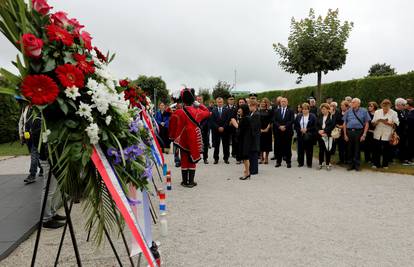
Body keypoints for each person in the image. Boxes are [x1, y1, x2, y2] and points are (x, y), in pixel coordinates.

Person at [169, 88, 210, 188]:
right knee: (193, 157)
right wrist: (199, 104)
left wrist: (172, 137)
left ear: (183, 100)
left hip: (182, 139)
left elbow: (172, 123)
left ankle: (184, 181)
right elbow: (208, 112)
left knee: (184, 159)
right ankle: (191, 181)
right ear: (193, 100)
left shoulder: (178, 112)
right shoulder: (197, 112)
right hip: (194, 138)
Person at [343, 98, 371, 171]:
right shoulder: (348, 111)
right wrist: (345, 134)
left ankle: (357, 164)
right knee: (349, 148)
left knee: (357, 148)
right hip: (349, 132)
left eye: (353, 102)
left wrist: (364, 134)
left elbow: (367, 123)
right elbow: (345, 123)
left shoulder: (364, 111)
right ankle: (350, 164)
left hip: (359, 132)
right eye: (351, 102)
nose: (351, 103)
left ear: (358, 103)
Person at [18, 104, 43, 184]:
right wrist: (21, 135)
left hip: (36, 134)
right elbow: (21, 122)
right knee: (33, 154)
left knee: (34, 153)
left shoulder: (39, 107)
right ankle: (42, 167)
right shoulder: (24, 108)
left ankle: (32, 175)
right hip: (27, 135)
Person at [371, 99, 399, 169]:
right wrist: (378, 121)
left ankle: (385, 164)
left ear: (390, 106)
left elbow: (396, 124)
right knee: (376, 149)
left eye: (387, 107)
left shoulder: (394, 113)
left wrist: (388, 123)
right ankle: (376, 164)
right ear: (381, 106)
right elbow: (373, 123)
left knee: (386, 150)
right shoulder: (377, 112)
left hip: (387, 134)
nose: (385, 108)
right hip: (378, 133)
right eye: (384, 107)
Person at [294, 103, 317, 168]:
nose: (304, 110)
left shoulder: (313, 116)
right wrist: (300, 129)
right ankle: (300, 163)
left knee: (309, 150)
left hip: (309, 135)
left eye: (306, 109)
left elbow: (315, 126)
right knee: (300, 149)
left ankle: (309, 163)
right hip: (300, 135)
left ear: (308, 109)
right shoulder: (299, 116)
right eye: (303, 109)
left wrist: (307, 129)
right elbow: (295, 126)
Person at [273, 97, 294, 168]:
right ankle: (278, 162)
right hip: (278, 132)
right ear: (280, 103)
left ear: (287, 102)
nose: (283, 103)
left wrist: (285, 126)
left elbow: (291, 120)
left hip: (287, 131)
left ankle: (288, 162)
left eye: (285, 101)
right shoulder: (276, 111)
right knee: (279, 147)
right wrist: (279, 126)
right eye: (282, 101)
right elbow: (274, 120)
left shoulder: (291, 111)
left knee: (287, 147)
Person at [210, 97, 231, 164]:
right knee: (216, 145)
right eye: (218, 102)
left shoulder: (227, 110)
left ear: (223, 102)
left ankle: (226, 158)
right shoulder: (213, 110)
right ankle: (216, 159)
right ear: (216, 103)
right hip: (216, 131)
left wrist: (223, 127)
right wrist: (218, 127)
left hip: (225, 130)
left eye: (221, 102)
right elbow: (212, 121)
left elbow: (228, 120)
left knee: (226, 145)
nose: (219, 103)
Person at [234, 104, 252, 180]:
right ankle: (246, 171)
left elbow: (240, 130)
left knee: (245, 157)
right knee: (245, 157)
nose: (238, 110)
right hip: (244, 139)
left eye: (240, 109)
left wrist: (236, 124)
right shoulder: (244, 118)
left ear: (244, 110)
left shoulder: (245, 118)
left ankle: (247, 173)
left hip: (245, 140)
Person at [317, 103, 336, 170]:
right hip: (320, 135)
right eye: (322, 109)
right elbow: (316, 125)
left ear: (328, 109)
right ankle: (320, 163)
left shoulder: (331, 116)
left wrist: (325, 131)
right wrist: (319, 131)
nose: (323, 110)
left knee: (328, 150)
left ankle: (328, 164)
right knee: (321, 150)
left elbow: (332, 126)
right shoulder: (319, 116)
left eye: (324, 109)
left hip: (328, 135)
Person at [394, 98, 409, 165]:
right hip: (397, 132)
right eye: (403, 104)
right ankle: (400, 159)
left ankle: (403, 158)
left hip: (403, 132)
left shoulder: (402, 111)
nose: (404, 106)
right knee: (396, 145)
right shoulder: (395, 112)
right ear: (399, 104)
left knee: (402, 145)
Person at [196, 96, 210, 164]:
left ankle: (205, 158)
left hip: (204, 129)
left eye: (200, 99)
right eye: (198, 99)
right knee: (195, 144)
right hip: (195, 128)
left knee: (205, 144)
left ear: (202, 100)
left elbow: (207, 118)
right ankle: (196, 157)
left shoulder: (205, 108)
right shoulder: (193, 108)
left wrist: (201, 126)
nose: (199, 100)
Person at [249, 101, 261, 175]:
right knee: (252, 152)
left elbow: (254, 126)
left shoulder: (256, 114)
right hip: (253, 135)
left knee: (254, 153)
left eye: (251, 106)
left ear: (254, 106)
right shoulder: (252, 113)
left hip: (254, 136)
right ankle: (252, 168)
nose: (249, 107)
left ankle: (254, 170)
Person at [259, 98, 272, 164]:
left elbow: (271, 120)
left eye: (264, 102)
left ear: (267, 103)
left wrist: (267, 128)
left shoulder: (269, 111)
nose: (263, 103)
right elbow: (257, 121)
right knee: (261, 144)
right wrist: (260, 129)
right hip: (260, 129)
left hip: (268, 129)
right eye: (262, 102)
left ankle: (266, 157)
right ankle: (261, 157)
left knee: (267, 144)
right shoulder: (258, 111)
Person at [271, 96, 283, 160]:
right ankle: (276, 155)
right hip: (276, 128)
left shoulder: (286, 108)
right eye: (278, 101)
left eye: (280, 100)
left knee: (283, 142)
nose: (279, 102)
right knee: (276, 142)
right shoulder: (274, 108)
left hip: (284, 128)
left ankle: (284, 155)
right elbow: (273, 118)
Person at [406, 99, 414, 163]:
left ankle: (410, 159)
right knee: (408, 145)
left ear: (409, 105)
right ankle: (408, 158)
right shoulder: (407, 112)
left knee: (411, 145)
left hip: (412, 132)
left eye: (406, 104)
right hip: (407, 132)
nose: (405, 105)